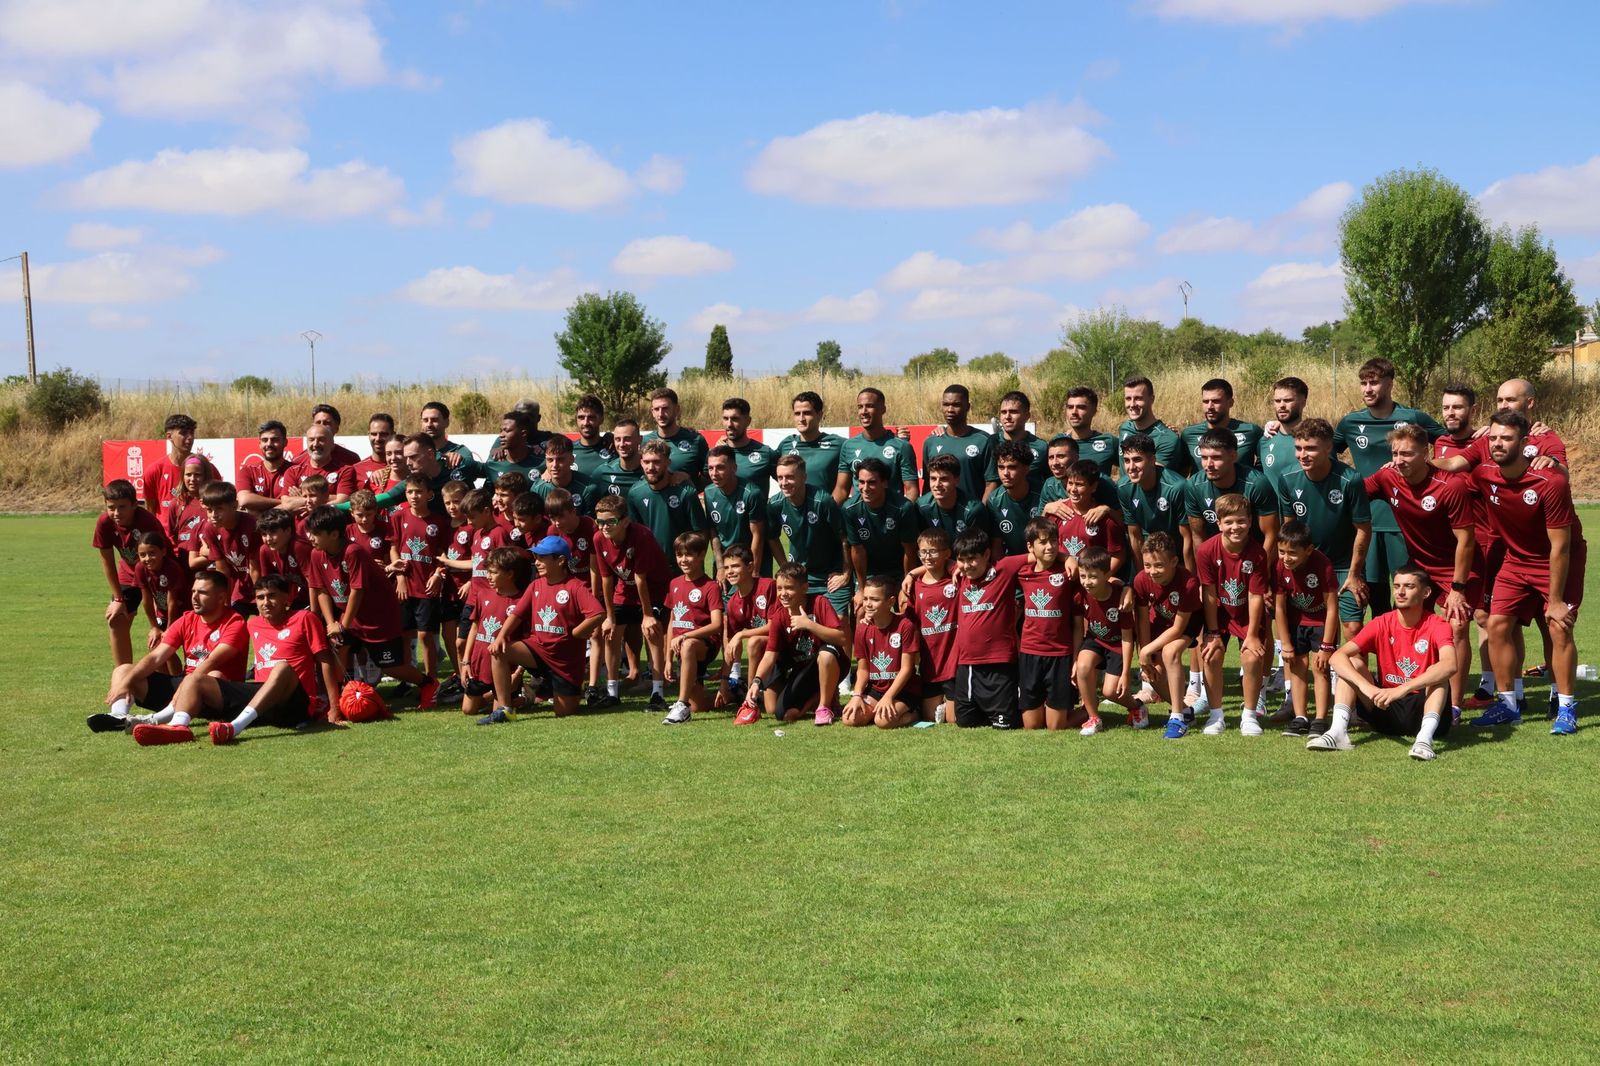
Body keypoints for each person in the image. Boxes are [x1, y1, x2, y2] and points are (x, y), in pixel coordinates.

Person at [1468, 411, 1586, 735]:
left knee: (1558, 626)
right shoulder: (1484, 474)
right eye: (1493, 438)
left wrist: (1557, 600)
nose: (1497, 444)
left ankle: (1566, 707)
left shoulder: (1551, 481)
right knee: (1496, 624)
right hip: (1516, 561)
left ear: (1524, 443)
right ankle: (1508, 705)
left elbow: (1560, 547)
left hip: (1555, 559)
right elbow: (1452, 477)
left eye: (1506, 438)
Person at [133, 573, 346, 746]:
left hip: (295, 700)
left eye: (272, 596)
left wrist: (333, 706)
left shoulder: (304, 618)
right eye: (261, 597)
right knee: (198, 677)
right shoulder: (252, 624)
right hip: (262, 699)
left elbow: (324, 660)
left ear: (287, 598)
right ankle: (177, 727)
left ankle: (233, 728)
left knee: (281, 668)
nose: (266, 602)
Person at [1363, 423, 1481, 721]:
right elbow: (1355, 492)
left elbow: (1466, 541)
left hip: (1457, 567)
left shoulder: (1450, 486)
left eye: (1407, 454)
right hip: (1419, 567)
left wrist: (1457, 588)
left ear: (1425, 453)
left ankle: (1452, 705)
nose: (1399, 459)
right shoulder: (1388, 476)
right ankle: (1410, 691)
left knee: (1455, 628)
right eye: (1395, 453)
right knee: (1408, 627)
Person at [1306, 565, 1457, 761]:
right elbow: (1337, 657)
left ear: (1426, 592)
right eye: (1396, 586)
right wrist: (1367, 688)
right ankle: (1338, 733)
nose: (1400, 592)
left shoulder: (1438, 624)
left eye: (1409, 586)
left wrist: (1402, 689)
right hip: (1385, 708)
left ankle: (1424, 740)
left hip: (1423, 709)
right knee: (1352, 662)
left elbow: (1450, 665)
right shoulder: (1382, 622)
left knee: (1438, 673)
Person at [1332, 357, 1446, 615]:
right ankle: (1387, 652)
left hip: (1404, 522)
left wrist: (1429, 467)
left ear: (1390, 384)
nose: (1367, 389)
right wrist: (1351, 480)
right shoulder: (1350, 422)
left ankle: (1412, 650)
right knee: (1375, 595)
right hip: (1366, 521)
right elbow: (1327, 455)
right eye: (1363, 383)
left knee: (1407, 590)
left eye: (1374, 382)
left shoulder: (1412, 417)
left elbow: (1452, 443)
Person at [304, 505, 438, 708]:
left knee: (391, 667)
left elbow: (358, 591)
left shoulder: (353, 551)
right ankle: (337, 703)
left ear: (334, 534)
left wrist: (343, 625)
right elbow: (321, 589)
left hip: (378, 618)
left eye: (315, 534)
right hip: (348, 616)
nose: (310, 538)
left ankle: (428, 683)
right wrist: (332, 623)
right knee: (338, 652)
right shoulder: (316, 554)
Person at [89, 569, 247, 734]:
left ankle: (155, 719)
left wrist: (185, 688)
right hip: (184, 688)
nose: (194, 597)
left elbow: (211, 662)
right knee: (124, 670)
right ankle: (119, 717)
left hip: (215, 695)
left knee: (213, 674)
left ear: (221, 597)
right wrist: (126, 681)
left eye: (202, 593)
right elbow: (156, 657)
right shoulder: (187, 619)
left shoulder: (235, 623)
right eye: (193, 591)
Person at [1273, 418, 1371, 640]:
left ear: (1328, 448)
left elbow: (1363, 529)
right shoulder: (1287, 478)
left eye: (1311, 448)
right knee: (1304, 626)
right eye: (1298, 448)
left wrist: (1355, 574)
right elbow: (1289, 529)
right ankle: (1305, 672)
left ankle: (1349, 675)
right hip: (1306, 563)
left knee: (1353, 628)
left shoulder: (1350, 479)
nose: (1302, 455)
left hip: (1344, 565)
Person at [487, 537, 604, 723]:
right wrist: (501, 636)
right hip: (538, 649)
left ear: (560, 560)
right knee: (499, 651)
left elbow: (598, 613)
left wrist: (577, 632)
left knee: (563, 712)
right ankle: (505, 709)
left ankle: (550, 690)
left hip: (565, 662)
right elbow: (516, 614)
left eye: (542, 558)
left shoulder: (575, 586)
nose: (537, 562)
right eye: (535, 557)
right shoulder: (536, 585)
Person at [1194, 493, 1270, 736]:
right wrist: (1213, 632)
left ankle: (1249, 716)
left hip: (1247, 613)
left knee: (1252, 657)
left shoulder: (1257, 553)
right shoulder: (1206, 550)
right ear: (1219, 523)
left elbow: (1256, 595)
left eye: (1241, 521)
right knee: (1211, 655)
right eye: (1229, 522)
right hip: (1219, 613)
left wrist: (1252, 634)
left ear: (1250, 521)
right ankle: (1216, 716)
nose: (1235, 527)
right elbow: (1208, 593)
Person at [736, 562, 849, 725]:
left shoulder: (819, 603)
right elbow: (770, 655)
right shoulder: (780, 616)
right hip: (802, 669)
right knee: (780, 713)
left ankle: (824, 707)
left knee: (826, 654)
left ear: (804, 588)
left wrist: (809, 624)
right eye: (779, 588)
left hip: (827, 663)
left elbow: (841, 638)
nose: (783, 593)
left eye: (788, 588)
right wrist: (756, 682)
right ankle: (822, 697)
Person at [593, 495, 672, 709]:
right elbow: (606, 578)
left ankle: (657, 693)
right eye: (600, 522)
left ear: (625, 521)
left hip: (654, 589)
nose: (605, 527)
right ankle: (612, 693)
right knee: (610, 633)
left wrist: (647, 615)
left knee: (652, 633)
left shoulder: (641, 535)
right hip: (624, 590)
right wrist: (609, 616)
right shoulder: (599, 538)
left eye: (611, 521)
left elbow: (641, 578)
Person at [946, 529, 1028, 729]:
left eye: (972, 559)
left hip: (1000, 661)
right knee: (964, 723)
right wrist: (913, 574)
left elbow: (1037, 554)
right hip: (968, 662)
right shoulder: (962, 574)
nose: (966, 565)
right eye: (961, 560)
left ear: (987, 555)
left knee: (1004, 725)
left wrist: (1067, 558)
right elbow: (939, 561)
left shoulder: (1004, 568)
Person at [1130, 532, 1203, 738]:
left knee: (1170, 652)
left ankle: (1178, 718)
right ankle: (1186, 712)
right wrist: (1145, 655)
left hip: (1186, 624)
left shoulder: (1188, 583)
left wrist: (1147, 649)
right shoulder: (1141, 580)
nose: (1152, 571)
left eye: (1159, 565)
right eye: (1147, 565)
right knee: (1153, 671)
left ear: (1174, 561)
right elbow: (1142, 620)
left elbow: (1179, 629)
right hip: (1160, 623)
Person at [1273, 519, 1340, 738]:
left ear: (1309, 550)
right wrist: (1285, 643)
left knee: (1320, 668)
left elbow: (1332, 608)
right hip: (1295, 623)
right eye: (1282, 551)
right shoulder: (1280, 567)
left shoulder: (1323, 565)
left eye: (1292, 552)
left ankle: (1320, 719)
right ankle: (1300, 717)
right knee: (1296, 667)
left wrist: (1327, 645)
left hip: (1321, 622)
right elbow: (1280, 608)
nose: (1286, 558)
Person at [94, 479, 172, 666]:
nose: (116, 513)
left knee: (165, 634)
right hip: (129, 576)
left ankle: (176, 680)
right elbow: (107, 561)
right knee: (116, 620)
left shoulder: (147, 522)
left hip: (156, 576)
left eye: (122, 507)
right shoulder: (105, 522)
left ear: (135, 505)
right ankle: (123, 675)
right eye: (111, 507)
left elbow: (164, 556)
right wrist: (118, 599)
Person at [766, 453, 852, 620]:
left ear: (804, 477)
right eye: (780, 478)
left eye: (790, 477)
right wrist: (785, 566)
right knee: (793, 621)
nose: (784, 483)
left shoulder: (823, 501)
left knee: (838, 621)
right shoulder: (775, 504)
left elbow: (845, 538)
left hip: (831, 574)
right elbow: (772, 537)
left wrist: (846, 573)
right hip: (801, 575)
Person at [387, 474, 451, 695]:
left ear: (429, 494)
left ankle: (432, 680)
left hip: (427, 586)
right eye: (410, 492)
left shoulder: (438, 522)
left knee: (426, 635)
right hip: (405, 586)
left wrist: (438, 575)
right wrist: (400, 577)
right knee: (406, 634)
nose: (414, 496)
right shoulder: (398, 516)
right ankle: (409, 678)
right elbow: (394, 548)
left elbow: (443, 553)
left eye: (418, 491)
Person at [1071, 547, 1142, 736]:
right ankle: (1094, 718)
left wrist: (1126, 672)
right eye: (1084, 576)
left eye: (1093, 577)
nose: (1087, 582)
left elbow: (1128, 637)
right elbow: (1079, 628)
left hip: (1117, 644)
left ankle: (1137, 707)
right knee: (1083, 667)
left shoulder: (1120, 597)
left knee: (1111, 692)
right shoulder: (1080, 594)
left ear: (1107, 574)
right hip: (1095, 640)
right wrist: (1075, 659)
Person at [1015, 516, 1077, 731]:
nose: (1050, 546)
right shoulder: (1022, 573)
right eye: (1043, 542)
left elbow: (1096, 576)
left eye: (1053, 541)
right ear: (1030, 546)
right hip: (1030, 652)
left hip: (1059, 653)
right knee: (1032, 726)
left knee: (1055, 727)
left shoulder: (1068, 572)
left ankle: (1090, 710)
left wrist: (1069, 557)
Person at [1183, 428, 1279, 568]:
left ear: (1233, 456)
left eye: (1216, 458)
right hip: (1217, 559)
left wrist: (1260, 573)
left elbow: (1271, 535)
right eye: (1204, 458)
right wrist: (1205, 577)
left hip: (1254, 557)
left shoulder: (1257, 484)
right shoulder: (1194, 486)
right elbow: (1198, 536)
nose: (1208, 465)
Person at [658, 531, 724, 724]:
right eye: (679, 555)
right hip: (681, 647)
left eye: (688, 555)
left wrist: (686, 636)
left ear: (702, 555)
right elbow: (671, 621)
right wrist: (667, 659)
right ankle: (733, 695)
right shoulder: (674, 583)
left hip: (703, 645)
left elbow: (717, 624)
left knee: (688, 646)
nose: (683, 560)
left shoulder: (710, 586)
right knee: (700, 706)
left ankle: (681, 704)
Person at [459, 546, 531, 719]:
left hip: (505, 667)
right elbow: (474, 628)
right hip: (479, 663)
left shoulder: (522, 601)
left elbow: (528, 640)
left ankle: (526, 697)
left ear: (509, 574)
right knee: (468, 710)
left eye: (493, 572)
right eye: (487, 572)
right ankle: (490, 695)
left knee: (498, 711)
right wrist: (466, 662)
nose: (488, 576)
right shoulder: (483, 594)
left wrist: (518, 673)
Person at [841, 575, 919, 729]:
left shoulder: (905, 626)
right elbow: (863, 670)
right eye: (866, 599)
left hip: (904, 690)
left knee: (882, 721)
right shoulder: (862, 628)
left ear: (890, 602)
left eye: (875, 600)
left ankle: (916, 712)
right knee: (850, 718)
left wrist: (889, 697)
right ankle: (879, 709)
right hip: (876, 689)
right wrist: (857, 695)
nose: (868, 604)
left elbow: (907, 669)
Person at [905, 528, 958, 725]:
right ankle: (937, 704)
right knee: (929, 718)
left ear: (946, 553)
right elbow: (907, 623)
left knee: (953, 721)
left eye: (933, 551)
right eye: (923, 552)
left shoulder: (956, 579)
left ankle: (950, 705)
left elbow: (959, 566)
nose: (927, 556)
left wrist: (953, 566)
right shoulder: (914, 585)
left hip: (953, 663)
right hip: (930, 664)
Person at [844, 457, 918, 594]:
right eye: (861, 482)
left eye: (871, 482)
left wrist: (907, 582)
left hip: (899, 570)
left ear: (884, 483)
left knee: (905, 606)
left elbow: (910, 550)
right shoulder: (850, 509)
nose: (865, 488)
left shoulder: (903, 508)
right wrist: (862, 589)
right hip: (871, 572)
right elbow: (857, 551)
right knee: (861, 610)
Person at [629, 439, 710, 563]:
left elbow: (701, 532)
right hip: (651, 566)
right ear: (641, 463)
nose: (650, 467)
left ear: (668, 462)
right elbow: (634, 533)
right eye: (646, 462)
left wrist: (694, 562)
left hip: (682, 567)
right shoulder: (635, 493)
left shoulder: (685, 492)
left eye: (656, 462)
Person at [716, 546, 774, 712]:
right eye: (726, 567)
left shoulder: (768, 586)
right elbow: (730, 648)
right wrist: (723, 683)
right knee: (771, 709)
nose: (730, 572)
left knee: (753, 642)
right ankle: (748, 693)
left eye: (735, 566)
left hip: (784, 649)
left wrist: (742, 634)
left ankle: (750, 696)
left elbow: (774, 627)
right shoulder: (733, 602)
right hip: (766, 654)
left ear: (749, 567)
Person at [1118, 432, 1189, 565]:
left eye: (1137, 460)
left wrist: (1191, 579)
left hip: (1177, 555)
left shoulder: (1176, 488)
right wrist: (1141, 576)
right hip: (1150, 556)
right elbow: (1135, 537)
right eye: (1127, 460)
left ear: (1152, 460)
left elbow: (1187, 538)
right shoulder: (1124, 487)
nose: (1131, 467)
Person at [839, 387, 919, 500]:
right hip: (858, 516)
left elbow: (912, 490)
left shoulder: (902, 447)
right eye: (860, 407)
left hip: (891, 515)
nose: (864, 411)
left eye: (870, 406)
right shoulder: (849, 446)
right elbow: (842, 489)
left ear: (883, 409)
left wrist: (904, 515)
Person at [922, 384, 997, 501]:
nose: (950, 410)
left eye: (956, 405)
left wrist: (981, 511)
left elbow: (991, 483)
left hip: (971, 514)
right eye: (946, 404)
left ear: (967, 407)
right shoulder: (931, 441)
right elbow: (927, 484)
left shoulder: (983, 441)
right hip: (939, 517)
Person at [141, 413, 221, 518]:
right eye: (183, 433)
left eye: (192, 433)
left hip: (200, 533)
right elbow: (150, 511)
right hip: (165, 534)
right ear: (169, 436)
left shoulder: (208, 468)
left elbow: (220, 504)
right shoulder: (154, 470)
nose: (190, 437)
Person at [704, 444, 767, 577]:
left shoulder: (751, 493)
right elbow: (713, 531)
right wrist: (721, 566)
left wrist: (753, 571)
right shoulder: (709, 492)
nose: (714, 473)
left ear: (734, 468)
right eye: (710, 468)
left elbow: (758, 535)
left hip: (746, 563)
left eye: (720, 468)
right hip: (723, 564)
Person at [196, 481, 258, 614]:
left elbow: (255, 568)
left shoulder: (251, 525)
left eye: (219, 509)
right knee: (230, 624)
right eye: (209, 510)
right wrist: (225, 602)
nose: (213, 515)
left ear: (234, 506)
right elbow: (222, 569)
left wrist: (260, 597)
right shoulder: (210, 529)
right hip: (240, 590)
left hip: (262, 585)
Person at [1055, 460, 1126, 577]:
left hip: (1093, 586)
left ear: (1093, 487)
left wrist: (1102, 579)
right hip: (1061, 582)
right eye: (1070, 483)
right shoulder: (1057, 512)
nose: (1073, 489)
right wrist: (1067, 558)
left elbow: (1118, 554)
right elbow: (1042, 546)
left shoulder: (1104, 518)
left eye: (1079, 484)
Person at [1180, 379, 1262, 473]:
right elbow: (1181, 471)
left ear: (1230, 403)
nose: (1210, 407)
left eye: (1216, 401)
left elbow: (1265, 463)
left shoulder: (1251, 431)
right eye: (1206, 401)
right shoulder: (1189, 434)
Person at [129, 531, 193, 642]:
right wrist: (154, 627)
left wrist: (169, 629)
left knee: (175, 643)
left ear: (163, 551)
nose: (147, 558)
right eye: (142, 555)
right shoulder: (140, 568)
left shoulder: (172, 568)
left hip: (185, 613)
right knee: (155, 645)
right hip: (163, 615)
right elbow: (147, 600)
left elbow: (172, 601)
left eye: (152, 553)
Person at [985, 440, 1043, 558]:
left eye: (1012, 467)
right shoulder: (994, 500)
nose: (1005, 473)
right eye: (1001, 467)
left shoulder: (1042, 493)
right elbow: (997, 545)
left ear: (1026, 469)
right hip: (1013, 562)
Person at [778, 390, 845, 494]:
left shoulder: (839, 445)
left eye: (807, 413)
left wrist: (830, 507)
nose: (801, 418)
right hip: (793, 510)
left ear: (820, 415)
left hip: (824, 509)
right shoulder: (786, 445)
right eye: (797, 413)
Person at [1118, 376, 1186, 474]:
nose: (1132, 404)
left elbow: (1147, 477)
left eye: (1138, 398)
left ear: (1152, 399)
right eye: (1128, 398)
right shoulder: (1124, 428)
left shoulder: (1166, 438)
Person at [915, 453, 991, 540]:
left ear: (957, 480)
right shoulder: (921, 507)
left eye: (944, 479)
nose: (937, 484)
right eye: (933, 478)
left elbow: (976, 550)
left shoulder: (973, 510)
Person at [643, 387, 708, 486]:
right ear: (652, 412)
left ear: (677, 409)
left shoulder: (696, 440)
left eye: (665, 408)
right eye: (656, 409)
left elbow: (710, 477)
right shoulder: (645, 441)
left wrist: (689, 481)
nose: (660, 414)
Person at [717, 397, 778, 499]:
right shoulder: (715, 454)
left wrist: (775, 507)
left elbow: (789, 483)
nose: (729, 424)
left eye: (735, 419)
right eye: (725, 418)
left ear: (748, 421)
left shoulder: (765, 453)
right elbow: (704, 485)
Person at [282, 424, 357, 503]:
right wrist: (329, 497)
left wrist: (303, 496)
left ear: (332, 444)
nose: (315, 444)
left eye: (321, 439)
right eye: (311, 440)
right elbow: (286, 501)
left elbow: (342, 500)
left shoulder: (345, 470)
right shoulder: (293, 471)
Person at [992, 390, 1050, 493]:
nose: (1007, 417)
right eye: (1003, 412)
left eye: (1013, 412)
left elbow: (1050, 482)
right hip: (997, 506)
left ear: (1027, 416)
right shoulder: (991, 443)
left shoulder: (1041, 447)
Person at [255, 508, 313, 610]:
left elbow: (314, 583)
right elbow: (268, 585)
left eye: (273, 533)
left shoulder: (299, 547)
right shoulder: (265, 550)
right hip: (302, 596)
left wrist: (314, 612)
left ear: (288, 531)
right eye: (264, 534)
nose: (268, 539)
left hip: (321, 594)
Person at [1257, 377, 1309, 490]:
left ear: (1303, 402)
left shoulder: (1314, 440)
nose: (1281, 405)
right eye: (1277, 401)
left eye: (1288, 400)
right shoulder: (1266, 439)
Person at [237, 420, 296, 512]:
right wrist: (286, 503)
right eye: (265, 440)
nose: (269, 444)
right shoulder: (248, 471)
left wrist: (258, 503)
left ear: (285, 442)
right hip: (256, 526)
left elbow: (302, 503)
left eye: (274, 440)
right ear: (259, 444)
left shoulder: (296, 471)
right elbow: (244, 500)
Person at [1061, 386, 1119, 478]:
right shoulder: (1057, 442)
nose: (1074, 412)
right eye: (1070, 407)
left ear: (1094, 411)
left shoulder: (1109, 442)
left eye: (1081, 407)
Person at [531, 434, 595, 516]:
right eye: (550, 460)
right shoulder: (538, 489)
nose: (554, 465)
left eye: (560, 459)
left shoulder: (588, 489)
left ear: (572, 460)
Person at [163, 456, 211, 559]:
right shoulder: (176, 503)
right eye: (188, 475)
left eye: (197, 475)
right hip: (183, 562)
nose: (192, 479)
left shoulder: (213, 502)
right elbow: (173, 536)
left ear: (205, 476)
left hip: (210, 562)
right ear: (182, 476)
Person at [594, 418, 647, 499]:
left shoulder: (650, 471)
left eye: (627, 439)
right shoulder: (603, 472)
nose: (622, 444)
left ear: (640, 439)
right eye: (617, 439)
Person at [485, 408, 544, 479]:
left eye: (507, 431)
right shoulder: (493, 463)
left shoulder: (542, 463)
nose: (501, 435)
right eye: (501, 431)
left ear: (523, 433)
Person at [570, 394, 614, 477]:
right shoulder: (568, 450)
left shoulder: (613, 447)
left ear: (601, 419)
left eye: (591, 417)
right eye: (581, 417)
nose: (585, 423)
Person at [308, 403, 364, 469]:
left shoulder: (351, 459)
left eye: (326, 423)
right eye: (318, 423)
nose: (321, 426)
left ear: (336, 428)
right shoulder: (299, 461)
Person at [352, 413, 397, 492]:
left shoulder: (402, 467)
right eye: (374, 434)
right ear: (368, 435)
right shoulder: (356, 469)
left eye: (383, 434)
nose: (378, 439)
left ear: (393, 435)